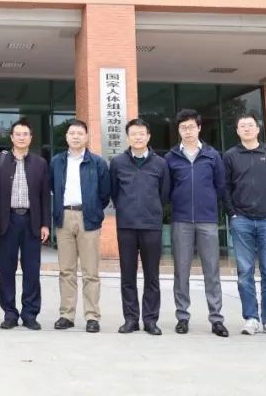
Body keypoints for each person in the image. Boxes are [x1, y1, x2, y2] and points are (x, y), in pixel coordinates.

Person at [223, 112, 266, 337]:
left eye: (250, 125)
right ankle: (251, 318)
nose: (247, 129)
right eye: (242, 126)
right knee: (245, 272)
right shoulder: (230, 156)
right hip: (241, 221)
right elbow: (225, 188)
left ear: (258, 129)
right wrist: (232, 214)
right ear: (237, 131)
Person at [166, 108, 229, 337]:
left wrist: (215, 208)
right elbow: (167, 189)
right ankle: (182, 317)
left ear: (199, 128)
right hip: (181, 220)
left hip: (207, 220)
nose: (188, 131)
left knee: (211, 270)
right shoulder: (171, 157)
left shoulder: (212, 155)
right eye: (183, 127)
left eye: (191, 127)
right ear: (178, 130)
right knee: (181, 271)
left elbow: (221, 186)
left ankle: (216, 318)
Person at [109, 118, 170, 336]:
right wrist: (126, 209)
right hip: (126, 226)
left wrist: (152, 209)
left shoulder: (160, 164)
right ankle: (131, 319)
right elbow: (114, 192)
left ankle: (151, 320)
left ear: (148, 136)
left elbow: (164, 194)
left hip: (151, 226)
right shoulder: (118, 163)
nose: (138, 137)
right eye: (133, 133)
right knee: (128, 275)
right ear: (128, 137)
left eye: (141, 133)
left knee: (152, 276)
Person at [50, 118, 110, 333]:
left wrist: (93, 210)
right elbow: (52, 188)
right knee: (66, 270)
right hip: (64, 217)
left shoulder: (97, 163)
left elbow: (105, 194)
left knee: (90, 271)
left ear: (86, 137)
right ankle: (66, 315)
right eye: (72, 133)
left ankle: (92, 316)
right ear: (66, 137)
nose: (75, 136)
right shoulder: (56, 162)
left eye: (79, 133)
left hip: (88, 218)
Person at [0, 119, 51, 330]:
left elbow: (45, 196)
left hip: (31, 221)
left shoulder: (40, 163)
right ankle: (9, 313)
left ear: (31, 138)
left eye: (25, 134)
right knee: (6, 269)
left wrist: (45, 224)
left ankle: (30, 313)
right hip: (7, 221)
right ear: (11, 137)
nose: (21, 137)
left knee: (32, 270)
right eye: (18, 134)